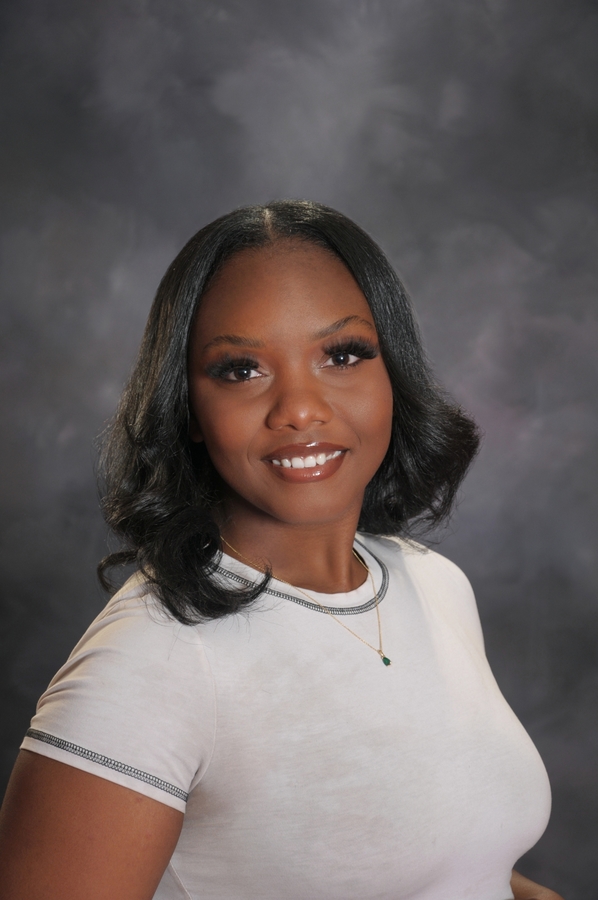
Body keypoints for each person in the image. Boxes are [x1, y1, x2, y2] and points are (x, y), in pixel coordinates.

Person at [0, 201, 563, 900]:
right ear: (188, 408)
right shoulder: (150, 662)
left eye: (342, 355)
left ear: (392, 373)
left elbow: (455, 864)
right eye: (241, 369)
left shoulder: (433, 582)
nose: (299, 408)